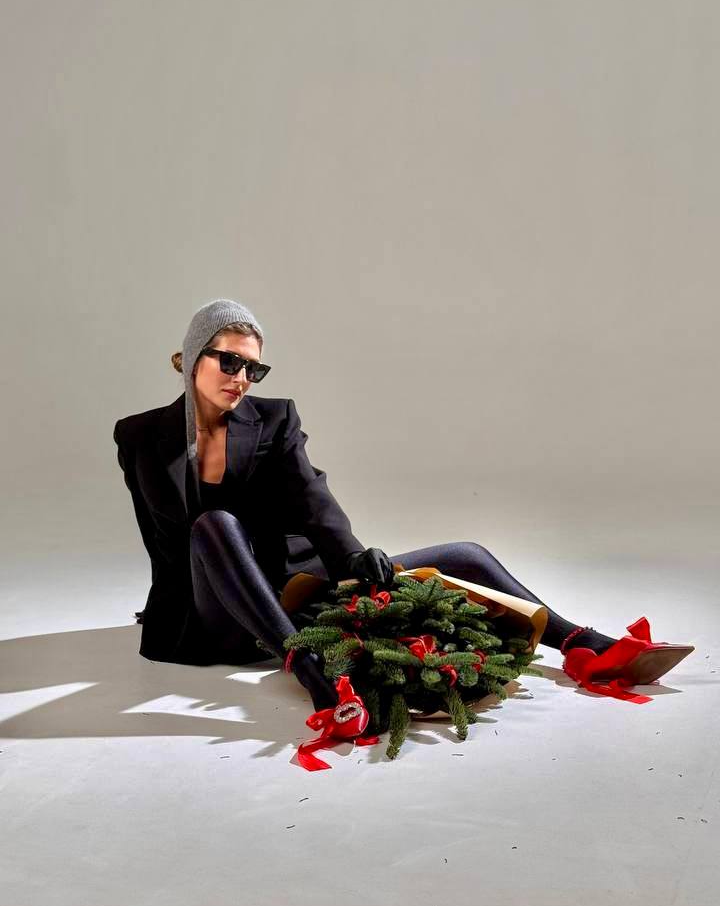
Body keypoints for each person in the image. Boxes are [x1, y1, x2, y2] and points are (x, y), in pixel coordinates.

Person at [113, 298, 693, 714]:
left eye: (254, 368)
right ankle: (310, 672)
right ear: (193, 357)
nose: (242, 379)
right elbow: (161, 537)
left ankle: (583, 645)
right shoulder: (140, 436)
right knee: (214, 525)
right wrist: (160, 611)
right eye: (229, 362)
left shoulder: (273, 418)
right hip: (217, 616)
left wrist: (352, 557)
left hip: (292, 596)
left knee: (464, 555)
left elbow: (311, 495)